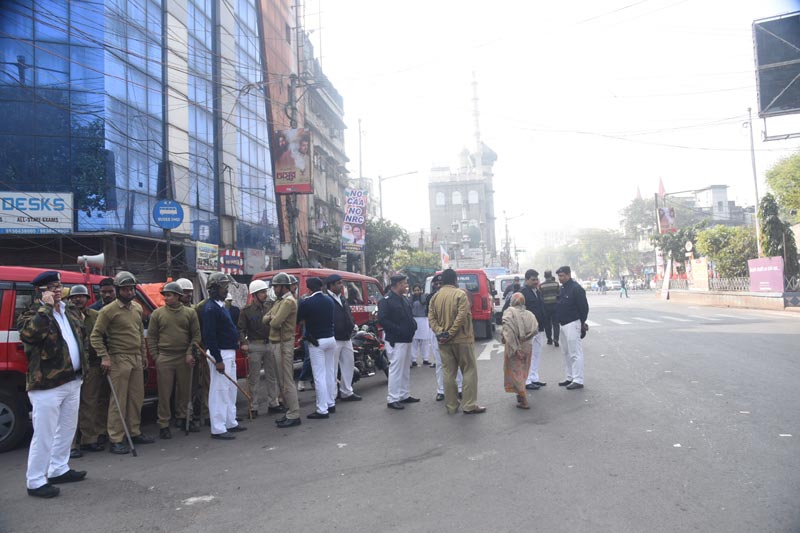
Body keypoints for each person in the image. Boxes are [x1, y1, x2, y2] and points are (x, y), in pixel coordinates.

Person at [18, 272, 87, 498]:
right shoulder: (32, 313)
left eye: (59, 286)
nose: (57, 290)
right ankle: (36, 480)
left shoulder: (68, 311)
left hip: (72, 379)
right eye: (51, 287)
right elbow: (30, 335)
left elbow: (81, 336)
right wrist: (46, 309)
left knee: (67, 428)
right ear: (40, 291)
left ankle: (59, 468)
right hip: (47, 384)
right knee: (44, 433)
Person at [91, 271, 154, 454]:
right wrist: (104, 357)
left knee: (136, 398)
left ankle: (134, 431)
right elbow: (96, 336)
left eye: (132, 289)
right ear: (118, 290)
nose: (129, 292)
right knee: (118, 400)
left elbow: (139, 333)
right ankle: (116, 438)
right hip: (118, 358)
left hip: (136, 358)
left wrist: (143, 355)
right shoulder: (108, 310)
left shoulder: (137, 308)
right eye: (125, 289)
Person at [428, 268, 486, 415]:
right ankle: (469, 405)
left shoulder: (435, 297)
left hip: (443, 341)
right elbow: (462, 316)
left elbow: (431, 318)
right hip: (462, 339)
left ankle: (451, 406)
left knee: (448, 373)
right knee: (469, 370)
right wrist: (451, 332)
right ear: (455, 280)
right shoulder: (460, 294)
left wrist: (441, 332)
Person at [148, 282, 201, 438]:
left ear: (178, 296)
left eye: (169, 295)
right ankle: (164, 423)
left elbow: (196, 335)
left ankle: (184, 417)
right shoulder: (157, 314)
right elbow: (152, 337)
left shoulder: (190, 313)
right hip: (165, 356)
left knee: (185, 391)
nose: (166, 298)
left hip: (184, 356)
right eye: (165, 295)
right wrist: (156, 357)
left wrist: (190, 352)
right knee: (164, 394)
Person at [201, 272, 246, 440]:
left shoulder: (220, 306)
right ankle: (218, 428)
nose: (226, 289)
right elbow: (210, 336)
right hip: (220, 353)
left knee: (230, 389)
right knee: (219, 391)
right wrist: (218, 360)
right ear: (213, 289)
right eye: (223, 287)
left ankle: (230, 421)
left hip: (228, 352)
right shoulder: (211, 309)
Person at [67, 285, 108, 454]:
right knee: (69, 406)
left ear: (88, 298)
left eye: (82, 296)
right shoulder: (64, 316)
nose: (78, 299)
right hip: (71, 367)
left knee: (90, 403)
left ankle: (89, 439)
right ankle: (70, 445)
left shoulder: (96, 316)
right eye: (74, 297)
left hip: (92, 365)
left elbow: (104, 337)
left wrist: (105, 357)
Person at [238, 279, 284, 419]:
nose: (265, 294)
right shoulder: (246, 311)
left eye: (265, 292)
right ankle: (253, 406)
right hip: (255, 345)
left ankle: (273, 403)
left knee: (272, 376)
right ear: (254, 294)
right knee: (254, 378)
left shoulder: (270, 306)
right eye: (262, 292)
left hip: (269, 343)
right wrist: (243, 343)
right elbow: (241, 329)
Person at [264, 273, 301, 427]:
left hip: (283, 343)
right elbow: (265, 319)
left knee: (286, 380)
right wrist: (272, 316)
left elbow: (274, 323)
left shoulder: (287, 302)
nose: (274, 289)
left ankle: (294, 413)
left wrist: (272, 317)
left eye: (276, 286)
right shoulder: (280, 301)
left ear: (283, 286)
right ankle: (289, 411)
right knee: (281, 380)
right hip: (277, 343)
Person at [296, 277, 337, 419]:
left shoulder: (307, 302)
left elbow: (298, 319)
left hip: (316, 341)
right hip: (331, 339)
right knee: (330, 373)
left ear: (308, 289)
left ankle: (322, 409)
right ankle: (331, 403)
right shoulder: (329, 300)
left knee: (319, 376)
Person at [378, 274, 418, 410]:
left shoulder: (403, 299)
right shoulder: (386, 301)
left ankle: (404, 395)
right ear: (398, 284)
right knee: (395, 369)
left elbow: (408, 316)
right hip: (396, 339)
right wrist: (399, 330)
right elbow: (383, 320)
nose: (406, 286)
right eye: (404, 283)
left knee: (405, 368)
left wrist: (413, 325)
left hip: (406, 338)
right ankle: (393, 398)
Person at [426, 274, 463, 401]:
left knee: (457, 361)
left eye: (440, 284)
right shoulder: (432, 298)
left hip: (454, 332)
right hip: (437, 333)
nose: (438, 286)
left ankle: (459, 388)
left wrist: (451, 331)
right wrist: (440, 331)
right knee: (440, 363)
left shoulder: (456, 295)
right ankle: (441, 390)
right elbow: (431, 318)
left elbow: (460, 315)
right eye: (436, 284)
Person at [326, 274, 362, 402]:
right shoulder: (327, 299)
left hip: (346, 337)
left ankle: (347, 391)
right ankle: (332, 396)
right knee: (333, 368)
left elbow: (348, 313)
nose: (341, 286)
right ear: (331, 285)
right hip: (334, 338)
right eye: (338, 283)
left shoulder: (342, 298)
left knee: (348, 364)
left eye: (341, 283)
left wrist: (352, 324)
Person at [555, 266, 590, 390]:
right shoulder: (562, 288)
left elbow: (584, 308)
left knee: (575, 353)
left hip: (572, 323)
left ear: (569, 275)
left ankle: (578, 379)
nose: (560, 278)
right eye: (559, 276)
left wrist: (581, 323)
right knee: (566, 352)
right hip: (563, 324)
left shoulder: (576, 289)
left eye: (562, 276)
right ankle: (570, 377)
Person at [502, 292, 538, 409]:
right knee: (523, 372)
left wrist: (515, 348)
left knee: (515, 373)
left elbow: (508, 332)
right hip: (527, 347)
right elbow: (535, 330)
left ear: (512, 301)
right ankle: (520, 395)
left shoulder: (509, 313)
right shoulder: (530, 314)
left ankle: (524, 400)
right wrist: (526, 338)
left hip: (514, 348)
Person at [520, 269, 547, 391]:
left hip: (539, 328)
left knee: (536, 354)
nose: (536, 282)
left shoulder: (537, 291)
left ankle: (534, 378)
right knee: (527, 356)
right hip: (528, 330)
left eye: (537, 279)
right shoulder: (522, 293)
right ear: (526, 280)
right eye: (533, 280)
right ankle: (526, 381)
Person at [409, 284, 431, 367]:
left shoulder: (424, 297)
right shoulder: (410, 299)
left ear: (421, 290)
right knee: (414, 341)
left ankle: (425, 359)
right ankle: (413, 360)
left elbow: (425, 304)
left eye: (418, 290)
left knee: (425, 341)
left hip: (423, 320)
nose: (417, 292)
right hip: (414, 320)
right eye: (415, 290)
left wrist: (421, 295)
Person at [539, 270, 560, 347]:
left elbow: (540, 297)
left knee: (547, 324)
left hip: (546, 307)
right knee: (556, 324)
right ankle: (556, 339)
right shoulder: (556, 284)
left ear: (544, 276)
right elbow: (559, 295)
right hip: (555, 306)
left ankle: (549, 339)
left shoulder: (541, 286)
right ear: (551, 276)